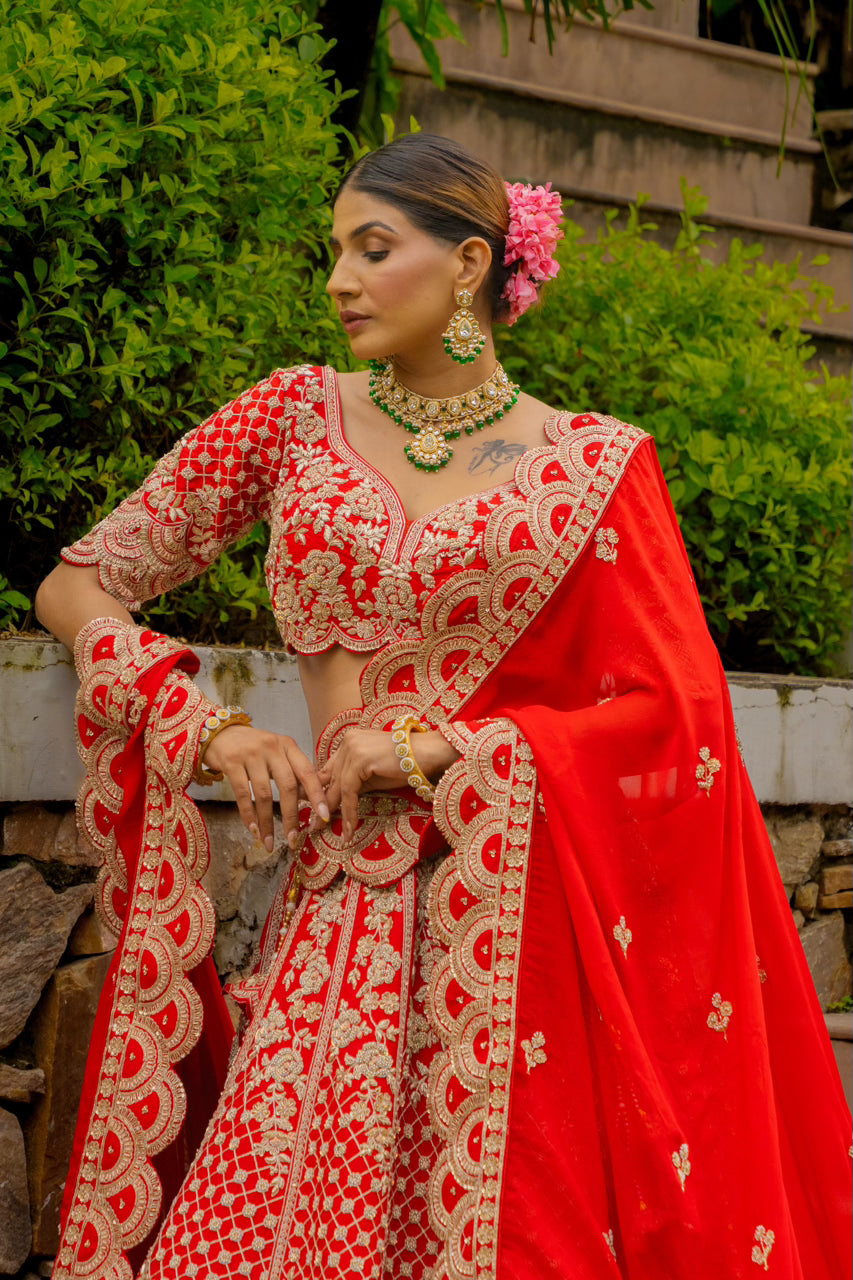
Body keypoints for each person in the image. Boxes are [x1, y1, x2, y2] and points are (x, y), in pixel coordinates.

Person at [36, 134, 850, 1280]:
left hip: (513, 933)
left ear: (469, 264)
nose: (339, 280)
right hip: (336, 922)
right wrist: (205, 723)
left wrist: (439, 745)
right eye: (334, 251)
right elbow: (79, 583)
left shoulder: (591, 466)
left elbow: (675, 719)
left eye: (374, 249)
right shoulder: (293, 417)